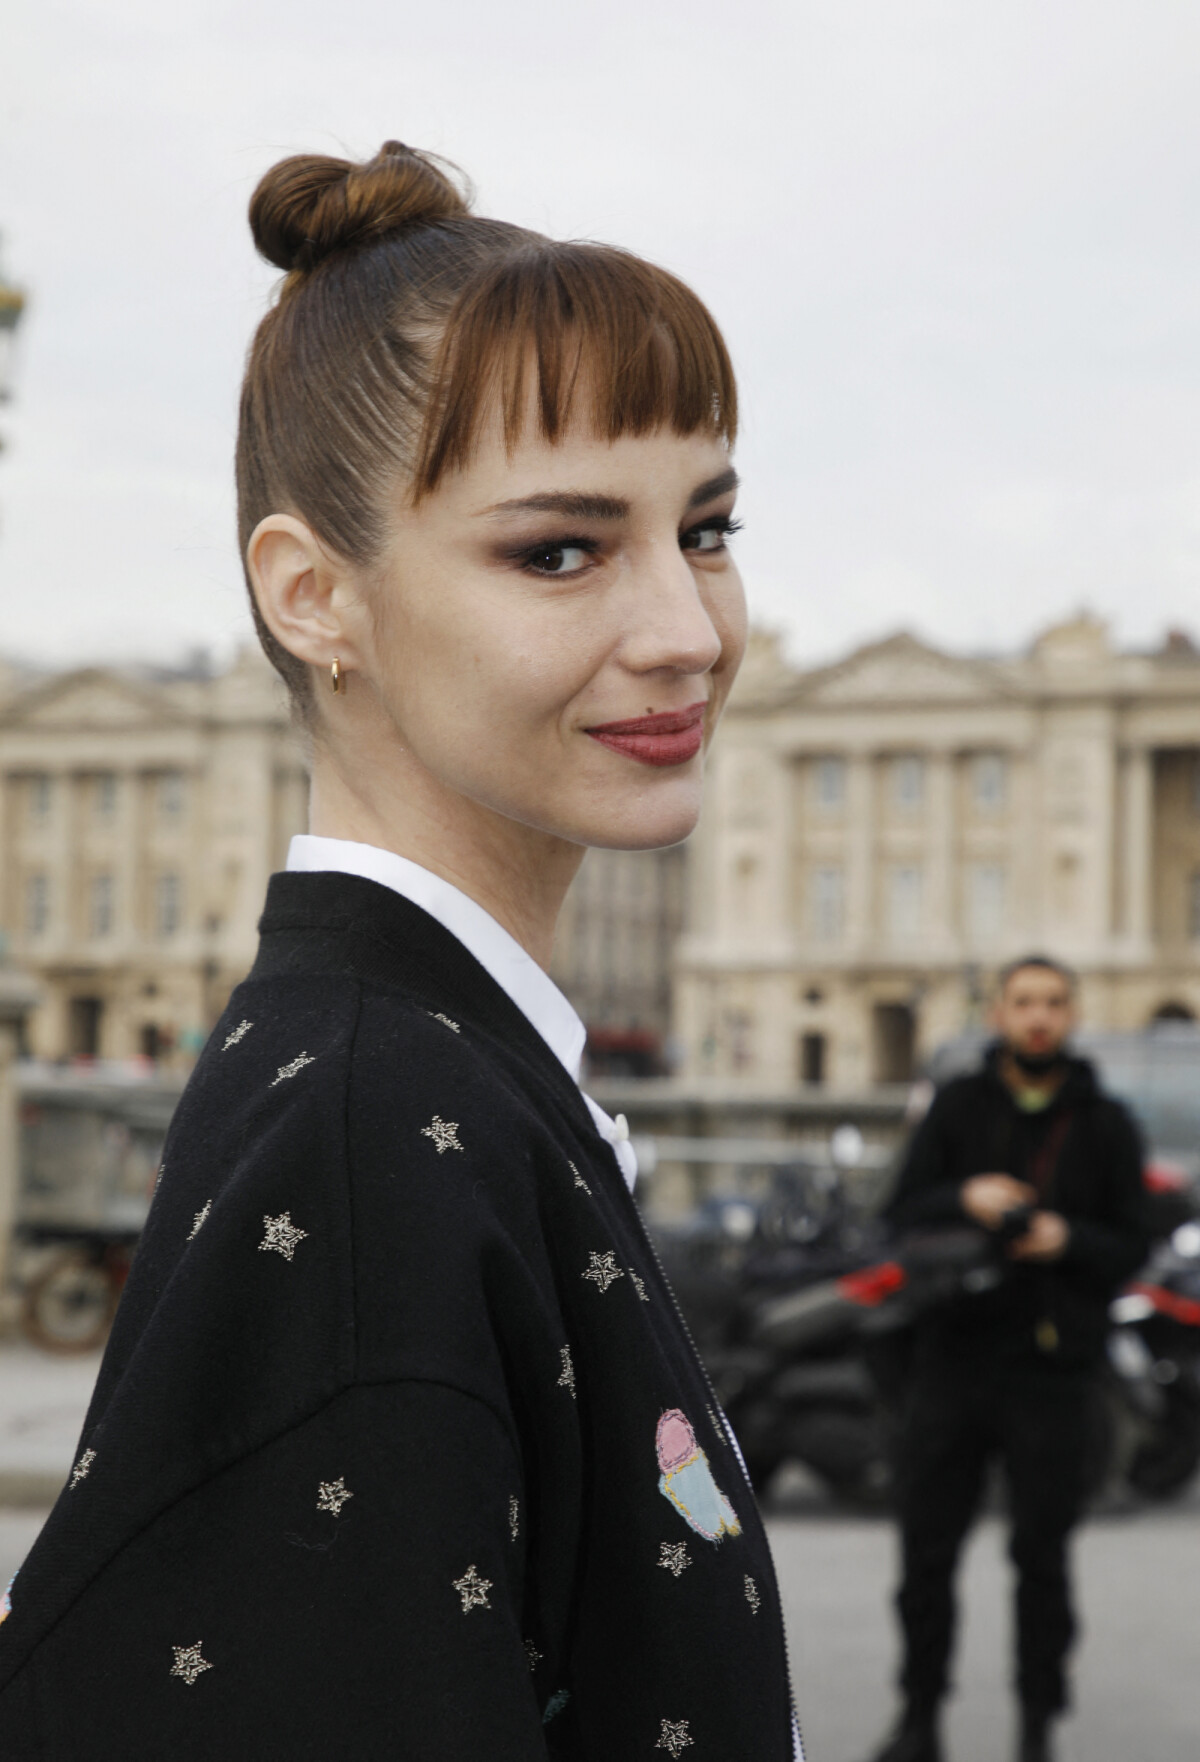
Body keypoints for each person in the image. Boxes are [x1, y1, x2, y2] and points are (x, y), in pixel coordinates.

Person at [0, 142, 802, 1758]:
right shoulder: (377, 1137)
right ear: (316, 599)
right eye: (561, 549)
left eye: (704, 528)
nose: (693, 630)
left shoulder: (417, 1077)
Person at [865, 956, 1149, 1762]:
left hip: (1053, 1367)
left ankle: (1036, 1726)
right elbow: (897, 1214)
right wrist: (965, 1197)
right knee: (926, 1552)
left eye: (1054, 1003)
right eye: (1025, 1001)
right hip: (952, 1356)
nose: (1039, 1017)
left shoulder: (1105, 1121)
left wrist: (1067, 1239)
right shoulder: (958, 1106)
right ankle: (919, 1717)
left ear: (1073, 1014)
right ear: (999, 1012)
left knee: (1043, 1559)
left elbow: (1133, 1244)